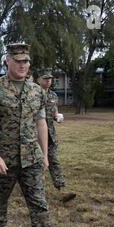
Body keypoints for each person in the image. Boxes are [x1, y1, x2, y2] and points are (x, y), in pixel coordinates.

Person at [0, 43, 75, 227]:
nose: (23, 65)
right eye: (18, 60)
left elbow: (41, 122)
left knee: (39, 202)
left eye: (26, 61)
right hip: (2, 158)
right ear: (7, 61)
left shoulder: (36, 91)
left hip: (31, 157)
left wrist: (44, 154)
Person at [37, 68, 76, 203]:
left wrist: (58, 118)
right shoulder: (32, 94)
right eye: (45, 78)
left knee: (54, 161)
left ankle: (62, 190)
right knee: (36, 163)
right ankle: (34, 190)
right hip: (34, 135)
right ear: (39, 79)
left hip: (50, 135)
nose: (48, 81)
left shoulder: (53, 96)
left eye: (50, 79)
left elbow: (54, 113)